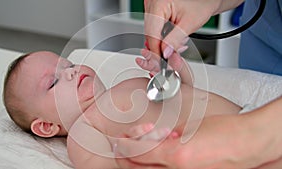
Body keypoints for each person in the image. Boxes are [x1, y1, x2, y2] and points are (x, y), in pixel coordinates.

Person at [3, 50, 243, 168]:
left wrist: (174, 70)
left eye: (69, 64)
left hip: (250, 117)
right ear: (46, 126)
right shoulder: (84, 129)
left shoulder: (123, 85)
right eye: (53, 81)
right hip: (216, 151)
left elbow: (183, 92)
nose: (71, 71)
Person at [115, 0, 282, 168]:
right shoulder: (96, 126)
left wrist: (178, 74)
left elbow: (188, 100)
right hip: (247, 127)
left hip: (249, 130)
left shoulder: (113, 97)